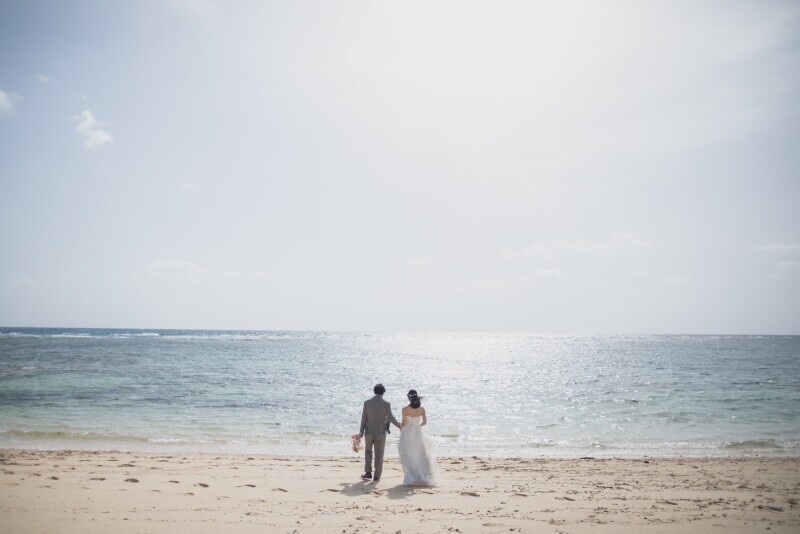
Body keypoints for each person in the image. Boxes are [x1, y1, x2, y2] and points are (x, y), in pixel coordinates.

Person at [397, 389, 440, 486]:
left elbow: (403, 423)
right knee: (420, 454)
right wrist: (417, 426)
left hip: (407, 434)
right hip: (417, 433)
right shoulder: (422, 409)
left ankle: (411, 477)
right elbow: (424, 422)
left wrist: (401, 430)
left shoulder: (405, 409)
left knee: (409, 455)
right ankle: (422, 476)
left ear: (409, 398)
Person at [359, 383, 400, 482]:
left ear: (374, 391)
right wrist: (399, 425)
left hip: (369, 432)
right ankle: (377, 476)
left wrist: (361, 432)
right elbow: (391, 417)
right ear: (383, 392)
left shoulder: (367, 403)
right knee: (379, 454)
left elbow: (364, 418)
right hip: (381, 432)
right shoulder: (386, 404)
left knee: (368, 452)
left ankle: (368, 473)